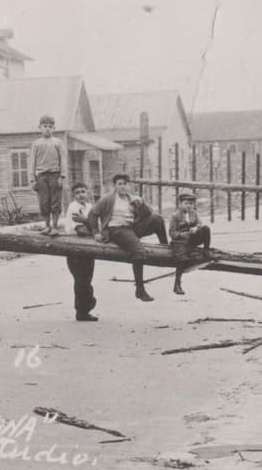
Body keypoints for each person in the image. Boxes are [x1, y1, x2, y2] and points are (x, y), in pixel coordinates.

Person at [89, 173, 168, 301]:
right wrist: (96, 232)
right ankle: (140, 289)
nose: (123, 187)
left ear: (129, 185)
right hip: (116, 230)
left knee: (157, 219)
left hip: (132, 228)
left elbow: (148, 215)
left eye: (125, 184)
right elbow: (93, 214)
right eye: (119, 184)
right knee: (139, 251)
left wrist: (141, 204)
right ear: (115, 186)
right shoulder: (108, 199)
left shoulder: (132, 198)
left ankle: (166, 248)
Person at [63, 183, 98, 322]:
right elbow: (80, 230)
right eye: (77, 192)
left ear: (88, 192)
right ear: (74, 195)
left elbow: (96, 225)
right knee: (81, 279)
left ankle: (87, 305)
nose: (81, 194)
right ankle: (82, 311)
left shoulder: (90, 207)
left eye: (83, 191)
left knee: (87, 278)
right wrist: (93, 229)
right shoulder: (74, 207)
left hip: (88, 248)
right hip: (75, 247)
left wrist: (89, 223)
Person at [30, 115, 69, 236]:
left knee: (55, 201)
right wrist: (32, 179)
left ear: (54, 128)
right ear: (40, 127)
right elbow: (32, 162)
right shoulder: (36, 144)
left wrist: (62, 176)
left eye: (50, 127)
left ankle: (55, 227)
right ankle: (47, 226)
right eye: (45, 126)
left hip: (55, 174)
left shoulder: (58, 142)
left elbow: (63, 159)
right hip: (41, 176)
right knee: (44, 202)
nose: (47, 129)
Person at [169, 192, 212, 295]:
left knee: (206, 229)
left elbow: (200, 223)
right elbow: (172, 233)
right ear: (180, 204)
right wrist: (185, 234)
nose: (189, 206)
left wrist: (196, 228)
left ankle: (206, 250)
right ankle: (177, 284)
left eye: (191, 204)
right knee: (182, 260)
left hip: (192, 239)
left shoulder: (193, 213)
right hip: (180, 241)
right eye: (186, 203)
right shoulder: (175, 216)